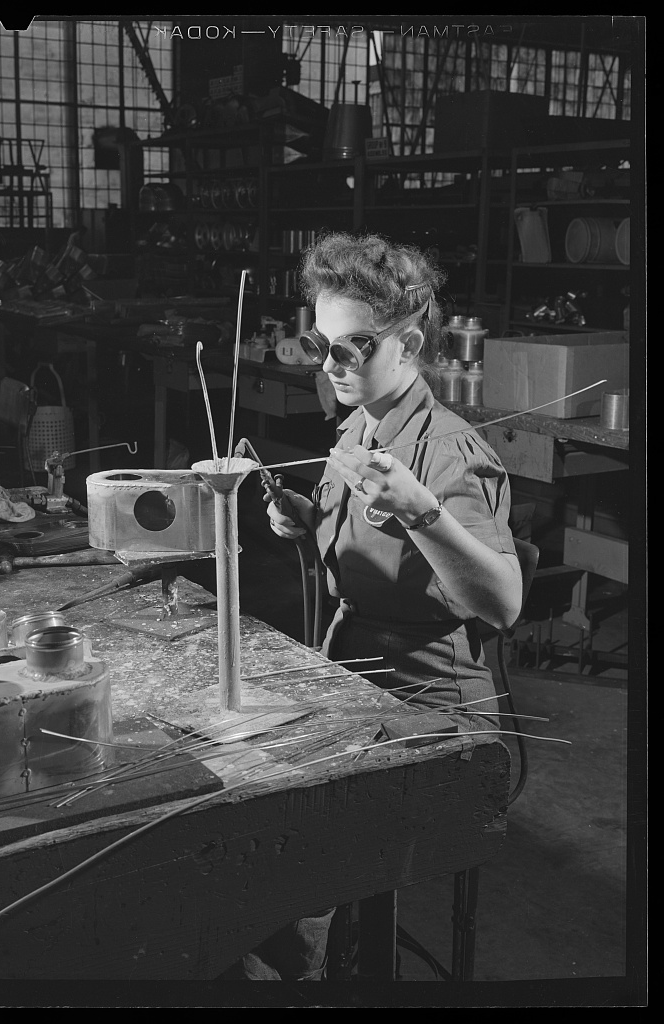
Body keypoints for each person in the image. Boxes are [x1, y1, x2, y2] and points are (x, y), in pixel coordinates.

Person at [220, 231, 522, 982]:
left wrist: (425, 512)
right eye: (320, 344)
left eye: (351, 347)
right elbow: (364, 549)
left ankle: (290, 974)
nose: (330, 367)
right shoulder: (357, 427)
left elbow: (506, 602)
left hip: (438, 713)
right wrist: (303, 515)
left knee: (292, 846)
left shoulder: (448, 452)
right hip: (357, 679)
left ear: (409, 342)